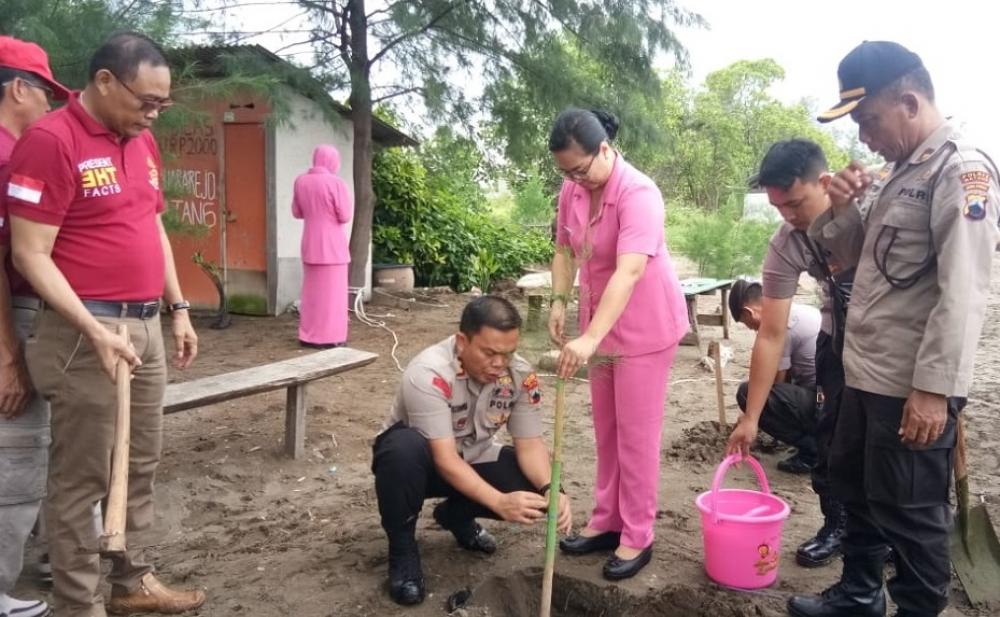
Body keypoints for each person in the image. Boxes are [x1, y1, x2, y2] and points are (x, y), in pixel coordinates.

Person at [786, 41, 1000, 617]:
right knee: (856, 489)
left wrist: (933, 389)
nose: (863, 136)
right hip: (866, 373)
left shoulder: (962, 171)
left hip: (911, 386)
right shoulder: (899, 173)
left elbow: (964, 291)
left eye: (868, 119)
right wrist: (843, 209)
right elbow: (861, 268)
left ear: (908, 101)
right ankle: (858, 595)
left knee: (911, 513)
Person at [5, 33, 206, 617]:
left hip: (143, 327)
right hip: (84, 335)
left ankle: (130, 583)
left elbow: (153, 227)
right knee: (81, 478)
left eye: (162, 104)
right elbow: (29, 253)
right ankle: (77, 603)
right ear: (104, 82)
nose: (154, 113)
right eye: (147, 100)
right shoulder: (51, 141)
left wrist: (179, 308)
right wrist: (92, 329)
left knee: (139, 462)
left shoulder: (141, 143)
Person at [548, 108, 689, 580]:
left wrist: (588, 337)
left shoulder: (639, 192)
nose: (574, 180)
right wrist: (558, 299)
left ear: (604, 149)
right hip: (598, 322)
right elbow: (564, 249)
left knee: (636, 436)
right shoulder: (573, 189)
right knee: (607, 430)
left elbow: (629, 270)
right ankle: (607, 520)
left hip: (644, 328)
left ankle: (638, 534)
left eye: (581, 169)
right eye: (566, 172)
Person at [372, 296, 572, 606]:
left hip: (474, 457)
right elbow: (446, 459)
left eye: (508, 353)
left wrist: (552, 489)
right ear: (462, 340)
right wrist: (499, 501)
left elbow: (530, 444)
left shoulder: (520, 376)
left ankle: (455, 516)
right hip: (422, 465)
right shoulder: (429, 373)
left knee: (536, 489)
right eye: (489, 353)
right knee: (401, 450)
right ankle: (402, 551)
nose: (499, 364)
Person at [726, 139, 855, 570]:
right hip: (835, 340)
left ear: (825, 182)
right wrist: (751, 418)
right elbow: (770, 333)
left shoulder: (871, 209)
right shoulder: (787, 242)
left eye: (796, 204)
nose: (789, 216)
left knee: (888, 450)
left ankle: (887, 540)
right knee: (829, 437)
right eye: (778, 206)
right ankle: (836, 527)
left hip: (895, 346)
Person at [0, 34, 70, 617]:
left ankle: (51, 557)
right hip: (14, 318)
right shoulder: (6, 156)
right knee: (19, 454)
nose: (50, 105)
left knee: (42, 446)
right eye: (45, 92)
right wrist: (8, 355)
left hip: (29, 317)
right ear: (18, 88)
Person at [729, 279, 822, 473]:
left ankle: (812, 451)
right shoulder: (796, 310)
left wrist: (750, 416)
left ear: (749, 312)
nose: (755, 330)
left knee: (748, 393)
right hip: (833, 394)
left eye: (750, 326)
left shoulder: (782, 327)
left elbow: (775, 382)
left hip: (823, 402)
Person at [292, 144, 353, 348]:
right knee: (333, 295)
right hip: (333, 246)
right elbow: (345, 215)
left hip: (310, 243)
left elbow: (297, 212)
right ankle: (331, 336)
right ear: (332, 161)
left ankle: (308, 335)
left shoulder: (300, 181)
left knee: (311, 295)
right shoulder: (336, 183)